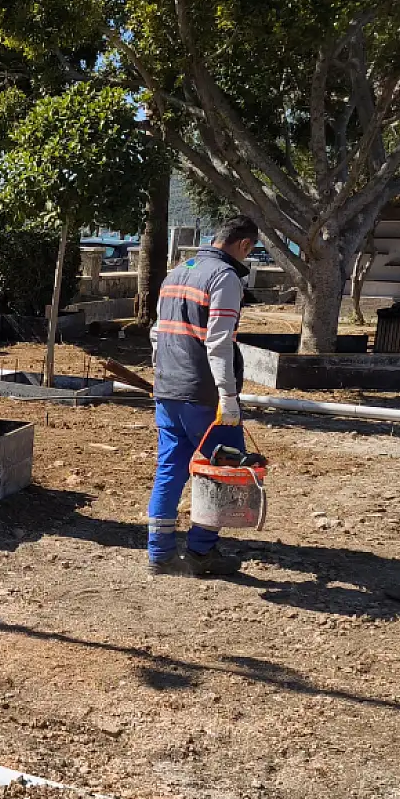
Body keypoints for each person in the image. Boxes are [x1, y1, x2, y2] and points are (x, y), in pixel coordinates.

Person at [145, 215, 259, 578]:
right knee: (223, 471)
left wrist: (161, 375)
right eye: (250, 251)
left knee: (170, 467)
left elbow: (156, 333)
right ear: (243, 245)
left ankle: (159, 555)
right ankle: (201, 552)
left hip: (169, 390)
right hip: (204, 397)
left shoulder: (177, 273)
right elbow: (219, 342)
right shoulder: (224, 277)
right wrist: (228, 397)